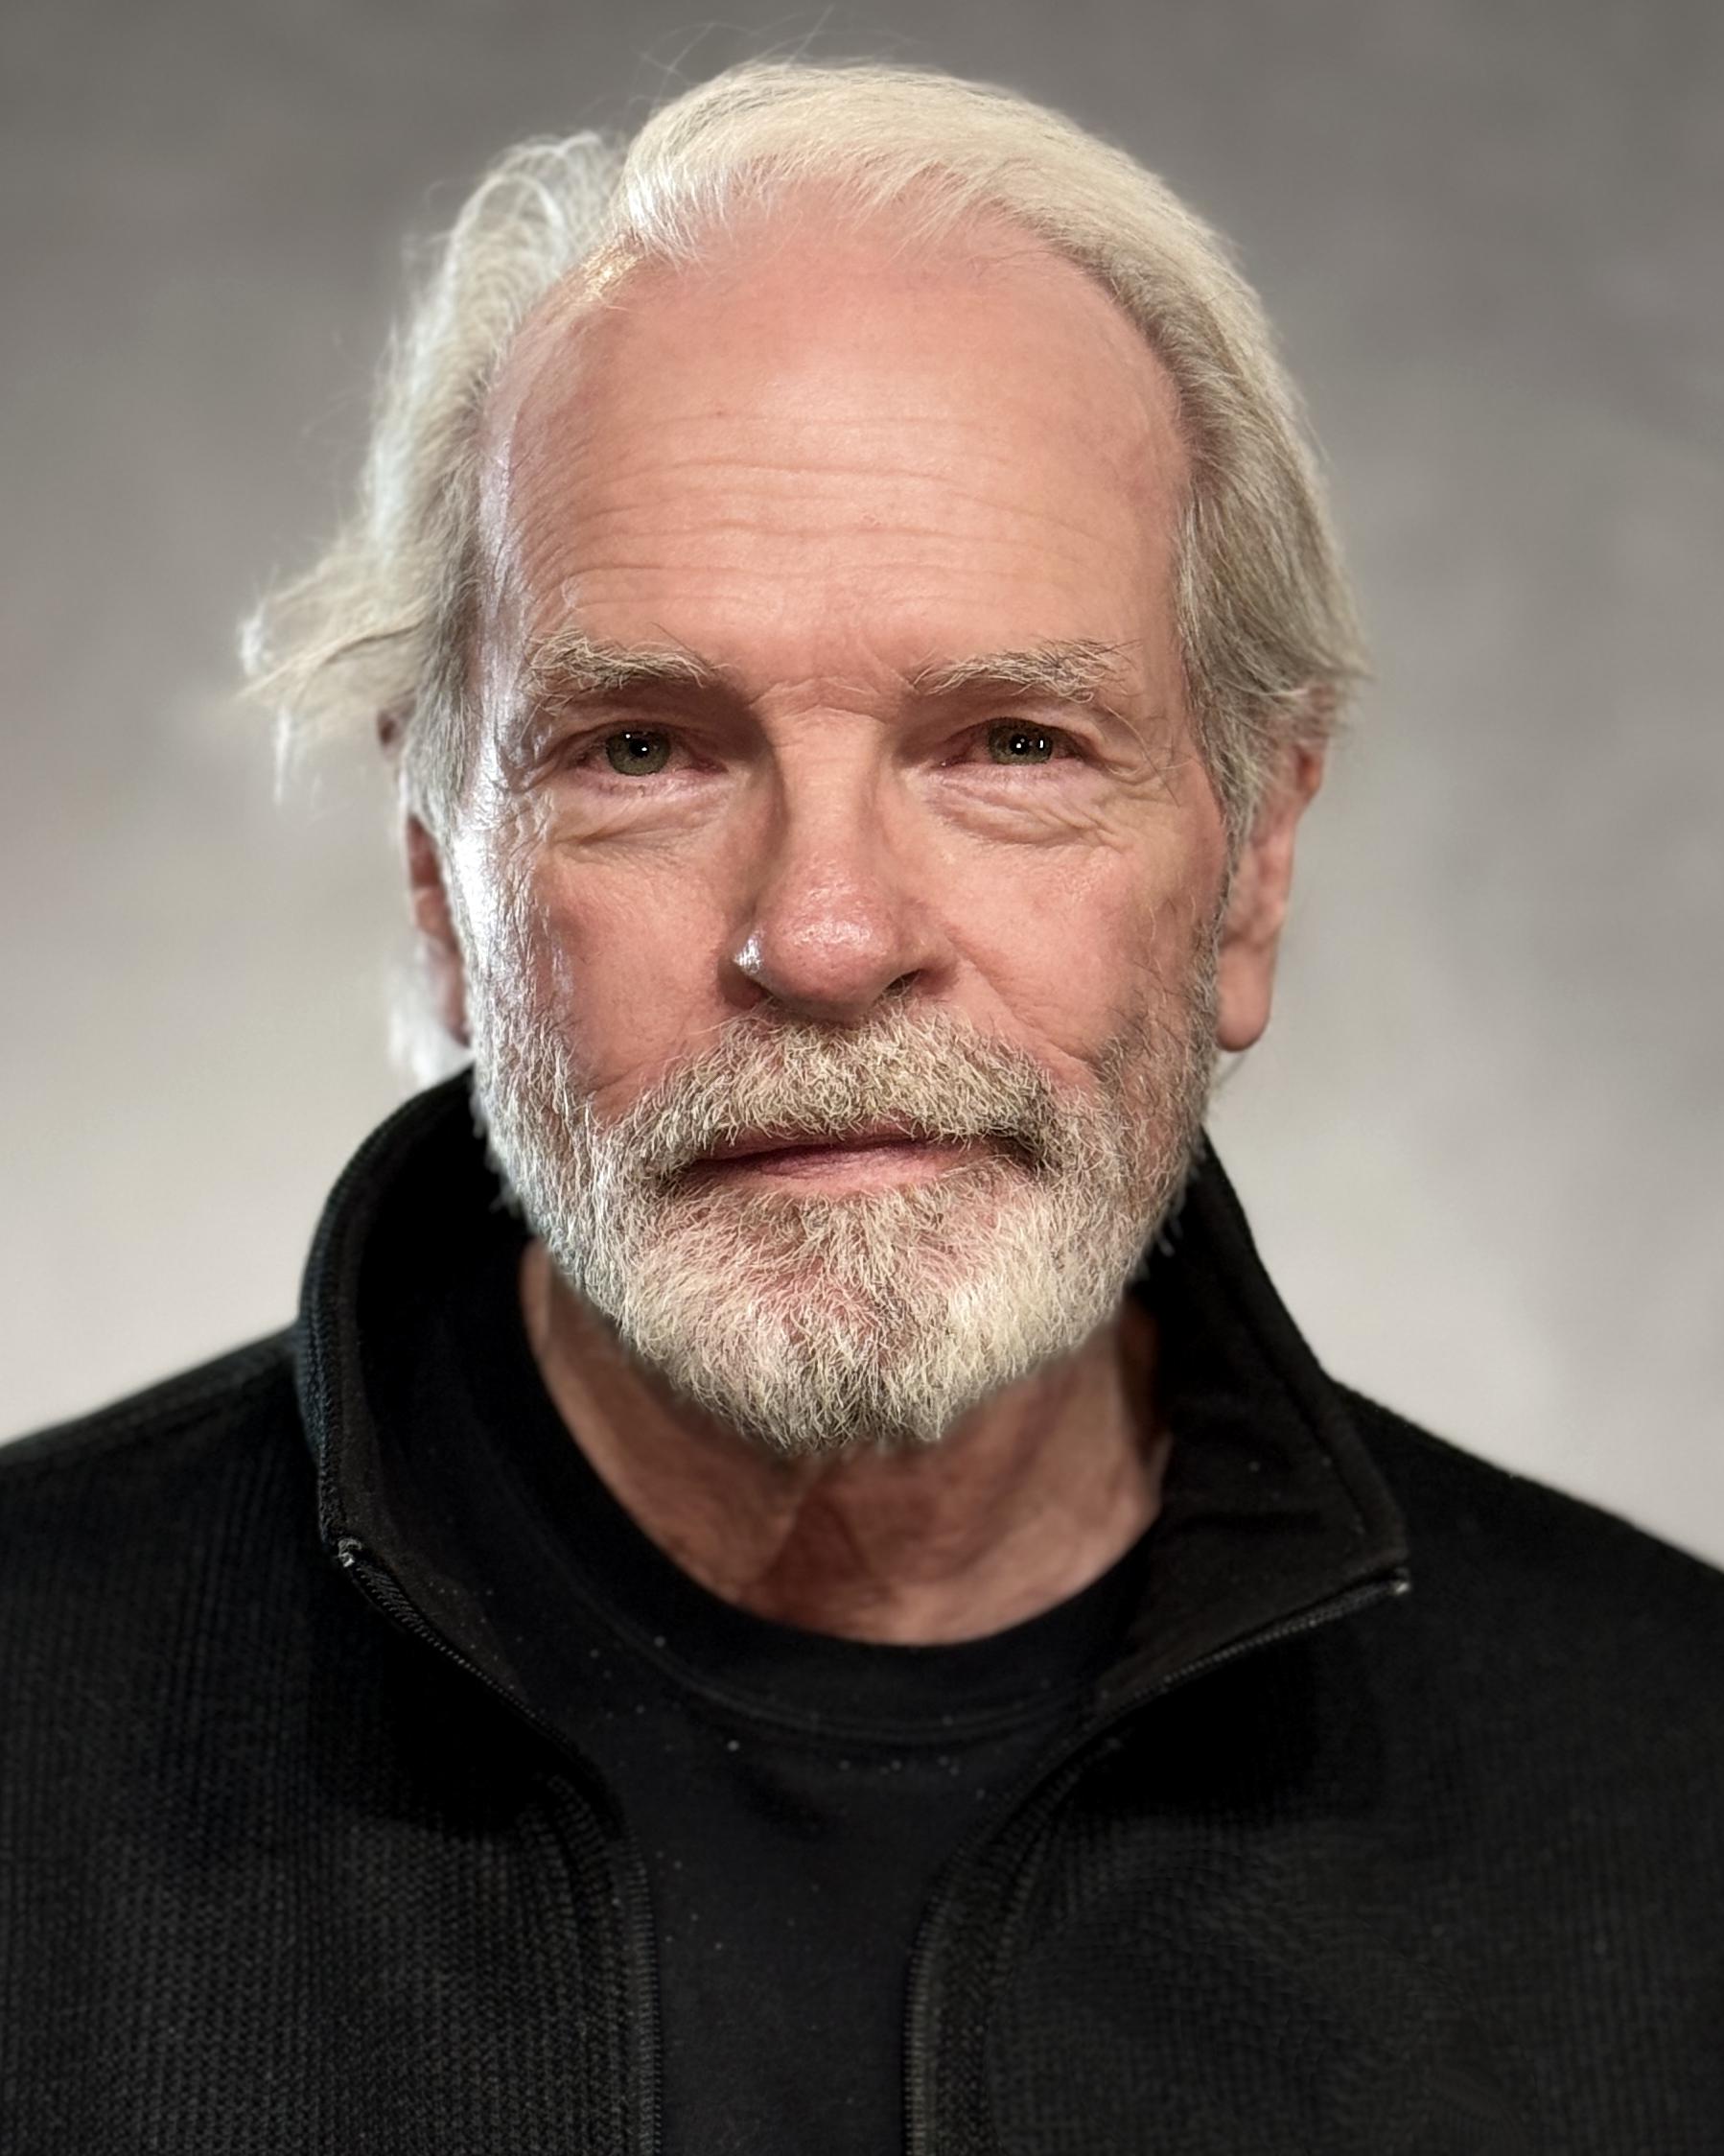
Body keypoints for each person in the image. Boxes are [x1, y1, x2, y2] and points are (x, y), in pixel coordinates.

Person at [2, 58, 1719, 2156]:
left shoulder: (1675, 1809)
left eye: (1010, 742)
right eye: (642, 749)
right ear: (443, 877)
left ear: (1254, 857)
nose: (822, 937)